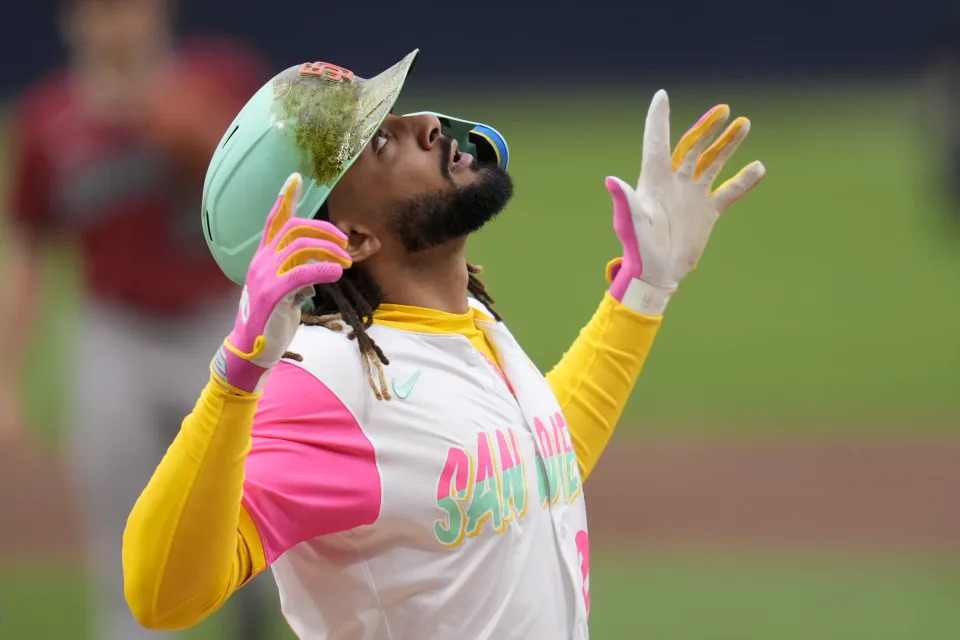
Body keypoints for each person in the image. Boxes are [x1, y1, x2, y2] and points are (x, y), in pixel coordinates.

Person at [122, 49, 765, 638]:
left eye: (402, 115)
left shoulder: (464, 326)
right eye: (381, 142)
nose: (429, 124)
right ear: (349, 237)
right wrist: (238, 376)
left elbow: (528, 471)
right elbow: (164, 595)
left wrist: (644, 293)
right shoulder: (329, 384)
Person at [0, 0, 277, 637]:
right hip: (113, 340)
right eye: (97, 11)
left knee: (257, 516)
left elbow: (286, 195)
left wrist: (206, 140)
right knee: (123, 540)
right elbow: (29, 251)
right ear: (72, 20)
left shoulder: (221, 80)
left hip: (223, 329)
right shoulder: (48, 121)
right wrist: (10, 379)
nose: (114, 23)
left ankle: (257, 612)